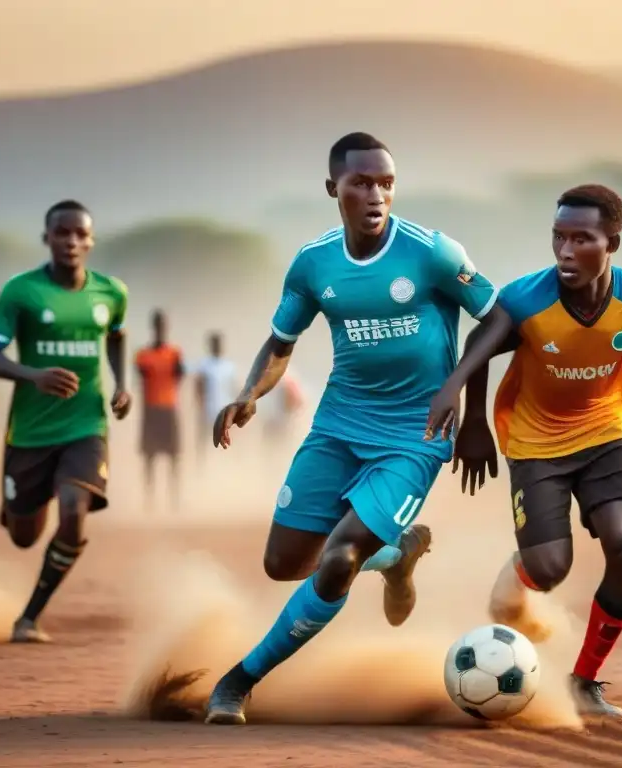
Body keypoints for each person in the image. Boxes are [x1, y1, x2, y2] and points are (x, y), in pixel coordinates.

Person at [203, 132, 508, 725]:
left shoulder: (432, 253)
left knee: (339, 557)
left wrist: (470, 412)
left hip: (414, 436)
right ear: (332, 189)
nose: (377, 194)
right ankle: (396, 554)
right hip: (338, 425)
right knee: (284, 564)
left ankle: (238, 682)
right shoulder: (314, 263)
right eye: (362, 183)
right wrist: (248, 394)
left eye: (386, 183)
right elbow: (281, 343)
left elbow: (496, 319)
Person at [428, 184, 622, 718]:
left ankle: (586, 681)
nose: (565, 251)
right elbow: (478, 347)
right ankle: (518, 576)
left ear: (613, 244)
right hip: (536, 443)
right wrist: (470, 420)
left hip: (607, 432)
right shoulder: (525, 298)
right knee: (550, 568)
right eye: (559, 237)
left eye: (582, 239)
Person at [0, 200, 131, 642]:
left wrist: (121, 384)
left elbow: (117, 336)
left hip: (85, 426)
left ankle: (29, 617)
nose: (71, 241)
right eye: (61, 233)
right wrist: (33, 376)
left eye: (79, 234)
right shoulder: (20, 292)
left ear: (91, 241)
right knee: (25, 535)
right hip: (29, 431)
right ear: (46, 238)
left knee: (73, 510)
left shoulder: (111, 292)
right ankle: (15, 507)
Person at [135, 310, 184, 509]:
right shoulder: (143, 356)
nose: (160, 328)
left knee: (174, 457)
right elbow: (140, 376)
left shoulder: (175, 354)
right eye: (158, 324)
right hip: (151, 409)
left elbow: (180, 376)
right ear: (153, 327)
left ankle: (174, 500)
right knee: (149, 457)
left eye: (163, 324)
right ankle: (150, 500)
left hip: (169, 408)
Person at [193, 332, 237, 461]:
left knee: (225, 445)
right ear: (210, 346)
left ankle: (224, 467)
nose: (217, 346)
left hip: (224, 413)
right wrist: (200, 407)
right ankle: (201, 467)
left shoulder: (229, 367)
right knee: (204, 444)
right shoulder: (204, 365)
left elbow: (234, 390)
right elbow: (198, 388)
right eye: (215, 344)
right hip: (207, 412)